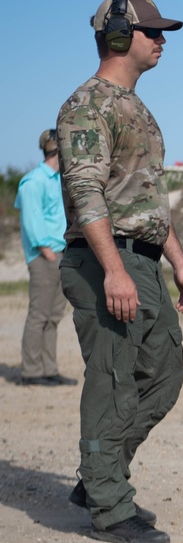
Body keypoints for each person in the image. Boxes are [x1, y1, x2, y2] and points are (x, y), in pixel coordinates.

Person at [56, 0, 183, 543]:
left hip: (142, 259)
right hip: (103, 260)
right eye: (152, 32)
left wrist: (179, 263)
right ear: (118, 38)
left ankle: (99, 476)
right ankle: (109, 505)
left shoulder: (136, 107)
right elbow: (86, 190)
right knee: (113, 381)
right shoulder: (86, 106)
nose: (162, 41)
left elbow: (146, 200)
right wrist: (113, 270)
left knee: (163, 376)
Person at [15, 130, 75, 387]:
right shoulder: (33, 181)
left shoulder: (60, 180)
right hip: (44, 256)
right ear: (57, 149)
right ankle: (31, 371)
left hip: (60, 253)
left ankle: (49, 368)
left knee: (53, 316)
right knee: (39, 315)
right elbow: (32, 220)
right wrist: (46, 252)